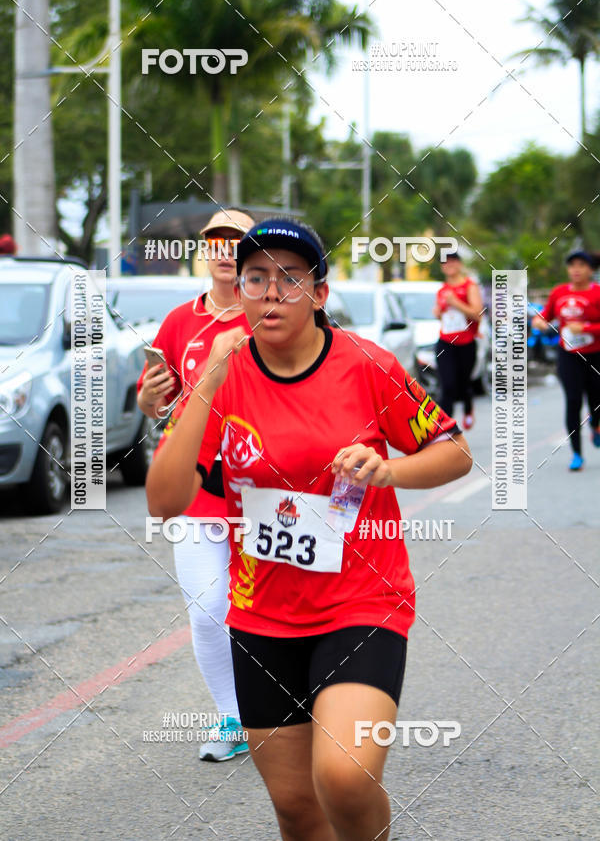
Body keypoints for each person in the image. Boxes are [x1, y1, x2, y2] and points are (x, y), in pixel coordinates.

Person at [146, 217, 472, 840]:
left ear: (319, 294)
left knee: (344, 778)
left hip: (361, 604)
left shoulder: (367, 365)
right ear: (238, 291)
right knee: (297, 810)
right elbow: (164, 502)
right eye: (256, 278)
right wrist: (208, 380)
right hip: (261, 616)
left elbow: (454, 452)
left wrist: (389, 469)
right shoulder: (225, 375)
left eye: (290, 279)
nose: (271, 292)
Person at [137, 208, 255, 761]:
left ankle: (287, 710)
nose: (226, 250)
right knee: (208, 607)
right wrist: (148, 399)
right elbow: (156, 401)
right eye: (216, 241)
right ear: (205, 251)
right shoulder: (179, 321)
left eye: (238, 241)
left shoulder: (273, 315)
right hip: (197, 488)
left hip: (266, 491)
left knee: (270, 610)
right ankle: (234, 717)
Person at [532, 250, 600, 471]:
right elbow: (544, 316)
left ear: (591, 270)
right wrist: (539, 322)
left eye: (581, 265)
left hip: (595, 356)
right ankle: (577, 453)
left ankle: (596, 424)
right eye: (572, 265)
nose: (576, 269)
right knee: (573, 401)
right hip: (569, 356)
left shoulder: (597, 293)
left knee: (596, 400)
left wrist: (586, 328)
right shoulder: (559, 292)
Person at [433, 251, 483, 429]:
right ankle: (445, 428)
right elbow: (443, 316)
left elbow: (477, 314)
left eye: (453, 261)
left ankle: (468, 408)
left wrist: (456, 303)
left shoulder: (470, 286)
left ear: (459, 264)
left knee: (463, 384)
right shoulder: (442, 290)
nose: (449, 265)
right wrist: (438, 313)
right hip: (445, 342)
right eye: (445, 262)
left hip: (466, 343)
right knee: (447, 385)